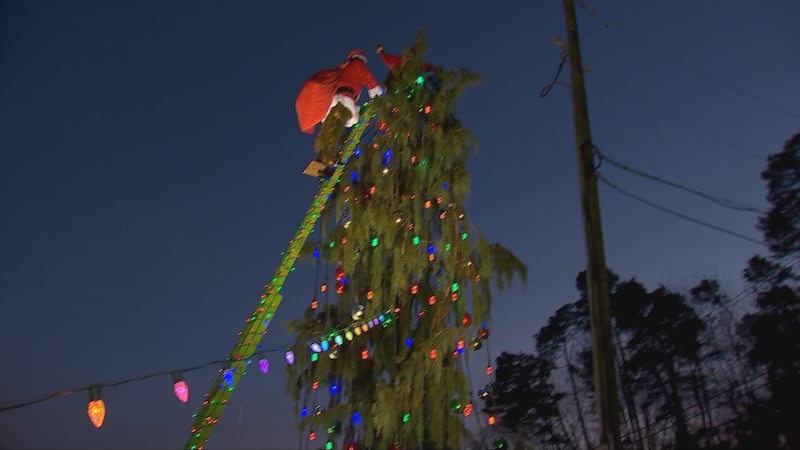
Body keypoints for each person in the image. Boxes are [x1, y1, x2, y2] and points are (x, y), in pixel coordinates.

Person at [295, 50, 383, 171]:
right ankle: (328, 159)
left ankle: (322, 155)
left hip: (334, 100)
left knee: (328, 129)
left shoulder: (343, 68)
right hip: (345, 100)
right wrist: (377, 93)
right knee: (335, 129)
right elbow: (369, 79)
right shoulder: (358, 64)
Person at [376, 44, 440, 85]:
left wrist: (434, 68)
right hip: (395, 84)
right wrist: (381, 52)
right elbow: (388, 59)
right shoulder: (400, 61)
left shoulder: (415, 65)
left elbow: (426, 66)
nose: (410, 58)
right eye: (409, 56)